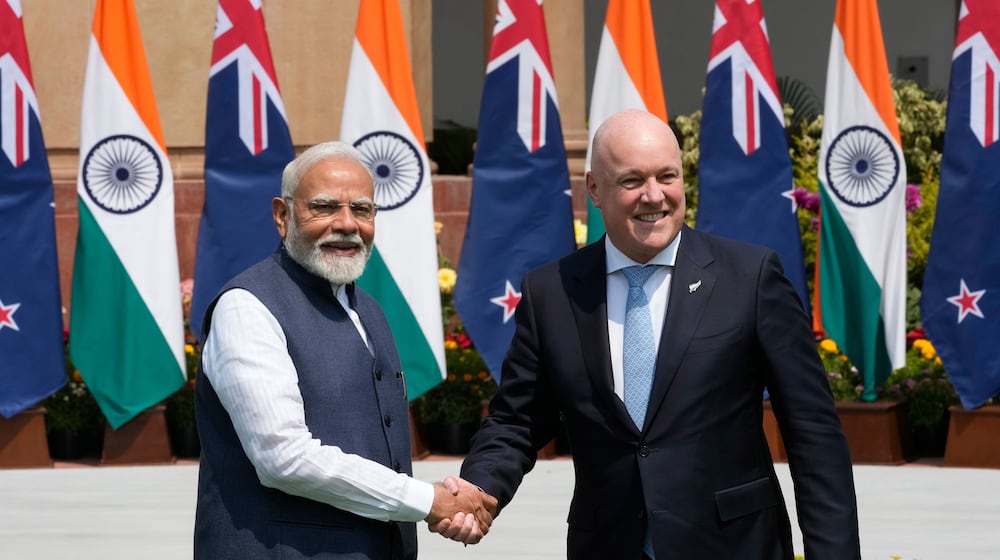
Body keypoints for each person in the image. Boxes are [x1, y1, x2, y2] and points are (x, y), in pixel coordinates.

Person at [432, 110, 860, 559]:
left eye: (667, 176)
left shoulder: (750, 278)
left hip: (735, 545)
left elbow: (814, 434)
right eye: (632, 180)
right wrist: (478, 487)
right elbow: (517, 420)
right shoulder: (552, 292)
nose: (653, 196)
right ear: (595, 188)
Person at [194, 141, 496, 559]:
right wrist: (429, 501)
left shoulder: (367, 309)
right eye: (324, 207)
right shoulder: (247, 308)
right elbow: (283, 457)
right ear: (282, 216)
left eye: (362, 209)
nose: (347, 224)